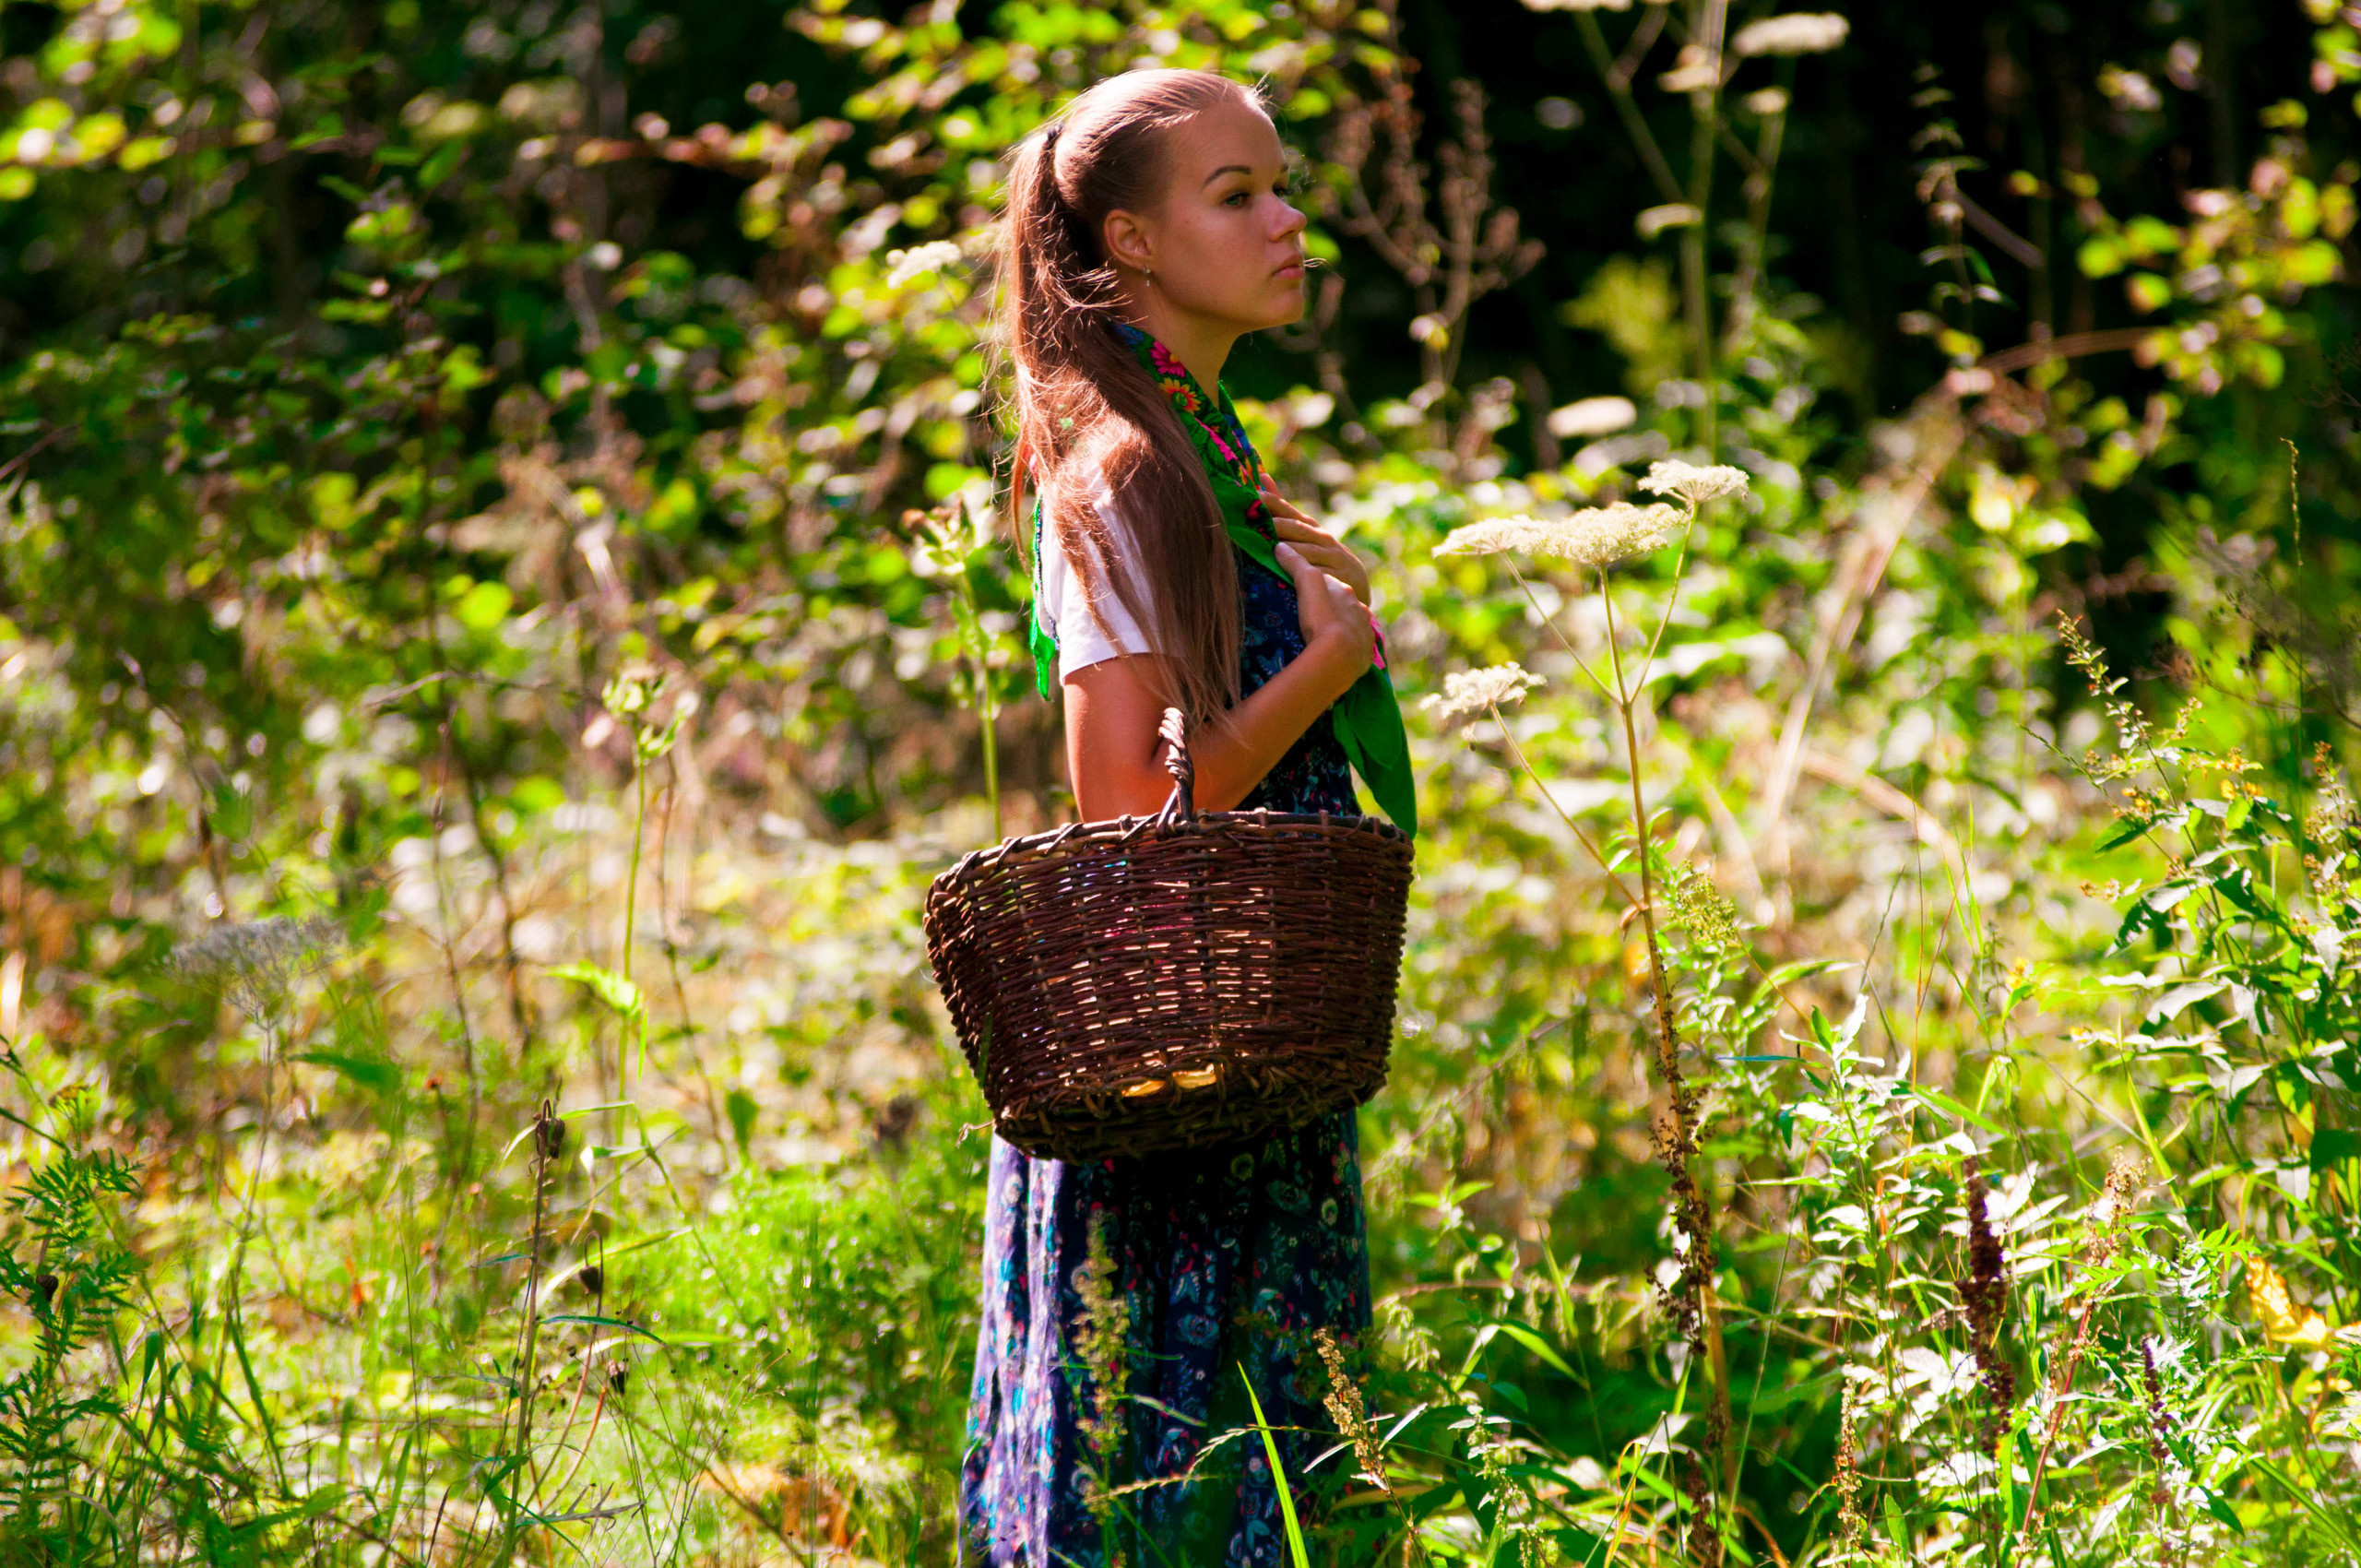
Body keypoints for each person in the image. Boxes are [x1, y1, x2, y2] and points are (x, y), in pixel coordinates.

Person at [958, 66, 1412, 1568]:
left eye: (1283, 186)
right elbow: (1125, 812)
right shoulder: (1120, 479)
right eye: (1238, 195)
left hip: (1250, 1068)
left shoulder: (1201, 452)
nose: (1288, 223)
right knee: (1168, 1480)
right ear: (1133, 244)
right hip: (1174, 1101)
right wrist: (1330, 661)